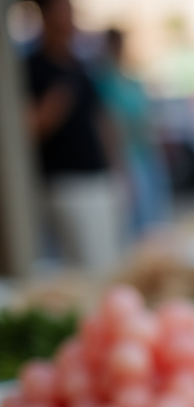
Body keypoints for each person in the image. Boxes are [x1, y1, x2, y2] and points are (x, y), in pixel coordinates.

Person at [25, 0, 123, 272]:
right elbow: (30, 126)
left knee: (108, 260)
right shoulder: (32, 68)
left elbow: (101, 121)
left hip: (97, 175)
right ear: (45, 15)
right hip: (64, 181)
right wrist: (57, 101)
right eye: (62, 10)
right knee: (85, 266)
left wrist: (117, 169)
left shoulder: (79, 65)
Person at [95, 28, 173, 236]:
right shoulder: (103, 82)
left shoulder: (130, 80)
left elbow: (148, 118)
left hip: (145, 152)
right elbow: (107, 125)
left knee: (155, 213)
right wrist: (117, 164)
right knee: (136, 216)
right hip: (126, 156)